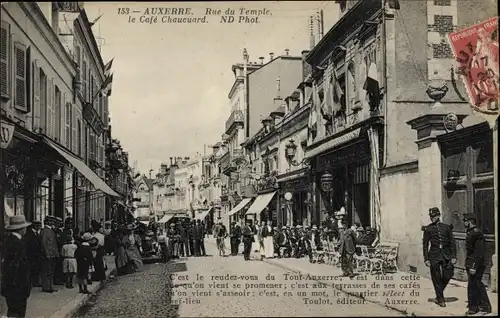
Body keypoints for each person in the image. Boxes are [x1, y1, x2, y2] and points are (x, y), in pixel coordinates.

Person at [422, 207, 457, 308]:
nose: (432, 218)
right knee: (436, 277)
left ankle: (438, 293)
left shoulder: (446, 227)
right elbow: (425, 245)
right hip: (434, 255)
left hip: (446, 255)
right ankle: (441, 299)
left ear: (438, 216)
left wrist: (453, 256)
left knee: (449, 273)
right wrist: (426, 259)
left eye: (434, 216)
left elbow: (452, 243)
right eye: (431, 216)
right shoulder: (428, 229)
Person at [1, 215, 32, 317]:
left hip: (12, 288)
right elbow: (15, 268)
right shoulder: (17, 244)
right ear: (21, 229)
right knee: (18, 313)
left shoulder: (9, 241)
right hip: (18, 288)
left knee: (13, 312)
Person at [463, 213, 492, 315]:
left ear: (469, 221)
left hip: (475, 264)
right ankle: (481, 306)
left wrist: (474, 266)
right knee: (475, 285)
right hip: (471, 263)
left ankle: (477, 307)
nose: (464, 223)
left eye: (465, 221)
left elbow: (478, 252)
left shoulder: (476, 233)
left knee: (475, 286)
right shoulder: (471, 232)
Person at [40, 216, 60, 293]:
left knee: (51, 271)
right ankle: (46, 287)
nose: (52, 222)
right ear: (47, 222)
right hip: (48, 254)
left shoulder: (51, 230)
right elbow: (43, 242)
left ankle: (50, 286)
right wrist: (47, 253)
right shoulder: (45, 230)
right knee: (47, 271)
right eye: (51, 221)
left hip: (53, 254)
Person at [24, 220, 43, 287]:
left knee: (36, 268)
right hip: (32, 254)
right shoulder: (29, 234)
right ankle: (33, 282)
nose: (40, 227)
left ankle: (35, 282)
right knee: (32, 268)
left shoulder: (37, 233)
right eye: (38, 226)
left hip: (37, 255)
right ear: (35, 226)